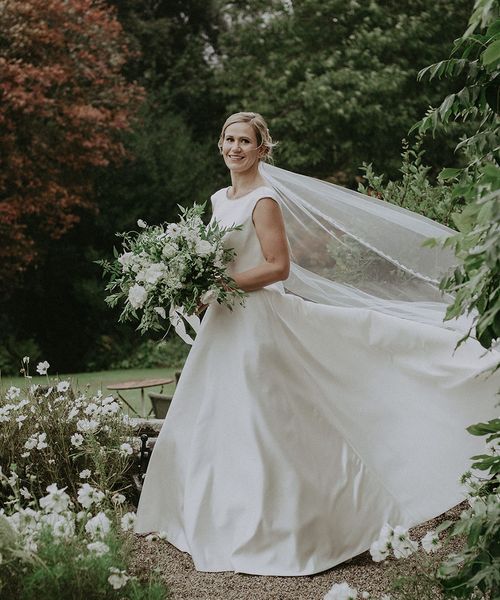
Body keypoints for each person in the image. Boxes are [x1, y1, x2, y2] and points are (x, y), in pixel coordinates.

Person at [134, 111, 498, 576]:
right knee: (214, 416)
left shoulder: (263, 200)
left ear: (262, 149)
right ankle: (215, 517)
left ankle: (291, 528)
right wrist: (196, 286)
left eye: (245, 141)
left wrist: (220, 286)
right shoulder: (218, 199)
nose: (235, 148)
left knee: (265, 420)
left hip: (255, 320)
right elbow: (219, 259)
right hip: (223, 323)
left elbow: (277, 267)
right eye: (228, 139)